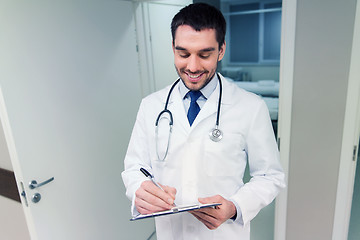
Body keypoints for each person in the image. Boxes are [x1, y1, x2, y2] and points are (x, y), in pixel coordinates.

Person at [122, 3, 285, 239]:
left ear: (221, 50)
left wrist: (235, 207)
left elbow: (270, 176)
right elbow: (134, 168)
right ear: (173, 48)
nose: (193, 66)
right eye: (183, 53)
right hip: (171, 233)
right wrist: (139, 190)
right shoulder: (151, 106)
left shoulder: (250, 107)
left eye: (205, 54)